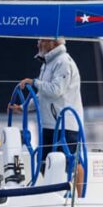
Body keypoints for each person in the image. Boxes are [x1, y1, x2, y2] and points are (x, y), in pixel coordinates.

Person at [15, 37, 84, 168]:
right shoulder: (47, 64)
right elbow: (42, 95)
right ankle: (55, 188)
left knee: (72, 163)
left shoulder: (63, 62)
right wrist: (23, 108)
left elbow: (56, 90)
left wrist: (33, 82)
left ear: (53, 43)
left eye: (42, 40)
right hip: (49, 124)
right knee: (43, 163)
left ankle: (81, 189)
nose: (38, 43)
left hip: (65, 124)